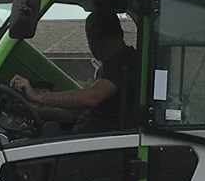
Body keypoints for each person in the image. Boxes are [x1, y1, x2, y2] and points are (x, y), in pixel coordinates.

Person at [11, 8, 139, 130]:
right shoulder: (109, 66)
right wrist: (34, 111)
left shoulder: (125, 63)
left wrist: (36, 96)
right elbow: (75, 114)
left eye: (101, 38)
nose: (98, 45)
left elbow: (92, 97)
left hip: (104, 145)